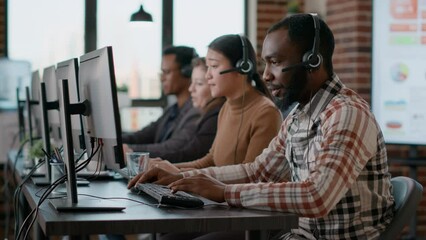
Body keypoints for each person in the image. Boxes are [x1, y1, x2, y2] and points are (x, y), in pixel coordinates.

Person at [130, 13, 395, 240]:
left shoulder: (347, 114)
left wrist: (224, 192)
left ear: (313, 61)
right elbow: (259, 171)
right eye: (265, 63)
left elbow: (317, 196)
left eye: (276, 62)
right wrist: (184, 178)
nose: (266, 75)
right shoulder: (300, 115)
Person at [152, 34, 282, 172]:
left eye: (214, 66)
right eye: (208, 67)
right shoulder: (226, 107)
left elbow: (249, 176)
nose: (208, 75)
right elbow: (211, 160)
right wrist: (166, 169)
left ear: (242, 67)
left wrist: (180, 175)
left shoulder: (265, 114)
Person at [122, 46, 201, 156]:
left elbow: (173, 147)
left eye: (167, 72)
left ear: (187, 72)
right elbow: (143, 135)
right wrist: (112, 141)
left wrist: (128, 150)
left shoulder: (197, 111)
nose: (162, 78)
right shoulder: (172, 110)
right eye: (162, 73)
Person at [153, 57, 226, 163]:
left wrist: (147, 160)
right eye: (192, 82)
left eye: (199, 83)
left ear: (214, 85)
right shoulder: (206, 113)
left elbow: (190, 154)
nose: (191, 89)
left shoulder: (214, 116)